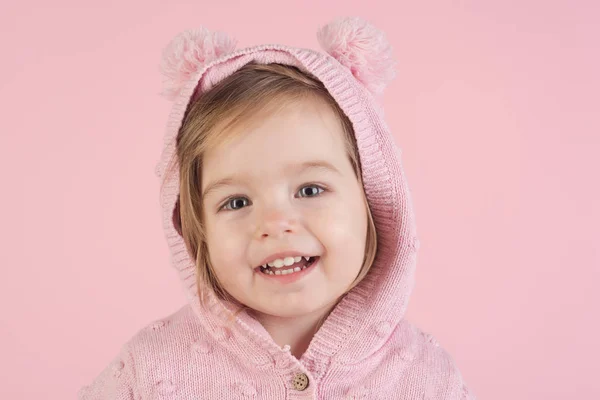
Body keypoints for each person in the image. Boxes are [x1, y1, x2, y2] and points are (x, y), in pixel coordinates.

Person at [78, 16, 475, 399]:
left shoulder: (425, 375)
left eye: (310, 190)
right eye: (236, 202)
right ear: (195, 228)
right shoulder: (149, 370)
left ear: (373, 200)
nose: (274, 223)